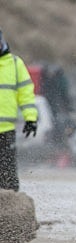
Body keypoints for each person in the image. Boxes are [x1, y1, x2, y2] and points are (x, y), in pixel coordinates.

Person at [0, 29, 38, 191]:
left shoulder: (15, 64)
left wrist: (31, 118)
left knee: (7, 174)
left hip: (6, 131)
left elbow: (26, 94)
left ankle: (11, 210)